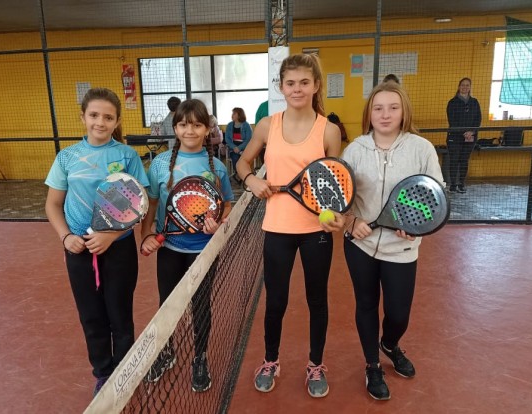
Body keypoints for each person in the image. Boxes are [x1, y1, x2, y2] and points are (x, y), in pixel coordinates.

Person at [237, 53, 344, 398]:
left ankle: (315, 365)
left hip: (317, 232)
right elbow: (242, 162)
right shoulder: (268, 125)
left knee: (317, 300)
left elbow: (334, 183)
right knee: (276, 301)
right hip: (277, 229)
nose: (297, 89)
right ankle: (270, 360)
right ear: (281, 86)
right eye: (290, 83)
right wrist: (251, 180)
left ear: (316, 86)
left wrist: (333, 213)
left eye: (304, 82)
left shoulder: (328, 130)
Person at [340, 81, 444, 401]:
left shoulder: (421, 148)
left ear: (403, 112)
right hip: (360, 245)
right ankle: (373, 364)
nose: (385, 114)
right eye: (378, 108)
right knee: (366, 305)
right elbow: (337, 202)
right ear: (369, 113)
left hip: (402, 248)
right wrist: (351, 221)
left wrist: (417, 226)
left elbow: (435, 196)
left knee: (398, 314)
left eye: (393, 107)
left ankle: (390, 343)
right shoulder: (355, 149)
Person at [44, 87, 149, 397]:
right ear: (83, 117)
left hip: (118, 248)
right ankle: (104, 373)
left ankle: (126, 371)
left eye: (108, 117)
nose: (100, 122)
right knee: (91, 315)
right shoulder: (67, 157)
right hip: (78, 248)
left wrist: (110, 235)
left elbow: (139, 203)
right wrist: (66, 237)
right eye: (94, 115)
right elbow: (52, 204)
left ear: (116, 121)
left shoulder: (127, 155)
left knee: (120, 314)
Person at [140, 99, 234, 393]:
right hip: (169, 248)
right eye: (183, 124)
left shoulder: (216, 166)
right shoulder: (158, 164)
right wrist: (145, 235)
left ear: (207, 129)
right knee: (167, 304)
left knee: (201, 305)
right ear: (176, 127)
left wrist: (217, 223)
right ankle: (166, 352)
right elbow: (153, 203)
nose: (189, 130)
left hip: (203, 250)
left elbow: (227, 203)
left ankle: (200, 357)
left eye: (196, 124)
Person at [446, 77, 481, 193]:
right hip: (455, 137)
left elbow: (478, 119)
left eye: (467, 85)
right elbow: (452, 120)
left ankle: (461, 183)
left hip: (470, 137)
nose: (465, 87)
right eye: (463, 85)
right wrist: (463, 132)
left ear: (470, 87)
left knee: (464, 160)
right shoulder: (452, 103)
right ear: (459, 86)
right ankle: (453, 185)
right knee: (454, 160)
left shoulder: (474, 102)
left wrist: (471, 132)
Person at [224, 107, 253, 181]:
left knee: (243, 158)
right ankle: (240, 174)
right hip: (233, 148)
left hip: (244, 147)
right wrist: (234, 147)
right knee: (235, 158)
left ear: (239, 115)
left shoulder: (246, 125)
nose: (232, 115)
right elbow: (227, 139)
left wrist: (239, 148)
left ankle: (240, 176)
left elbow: (248, 139)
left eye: (234, 113)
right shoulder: (230, 125)